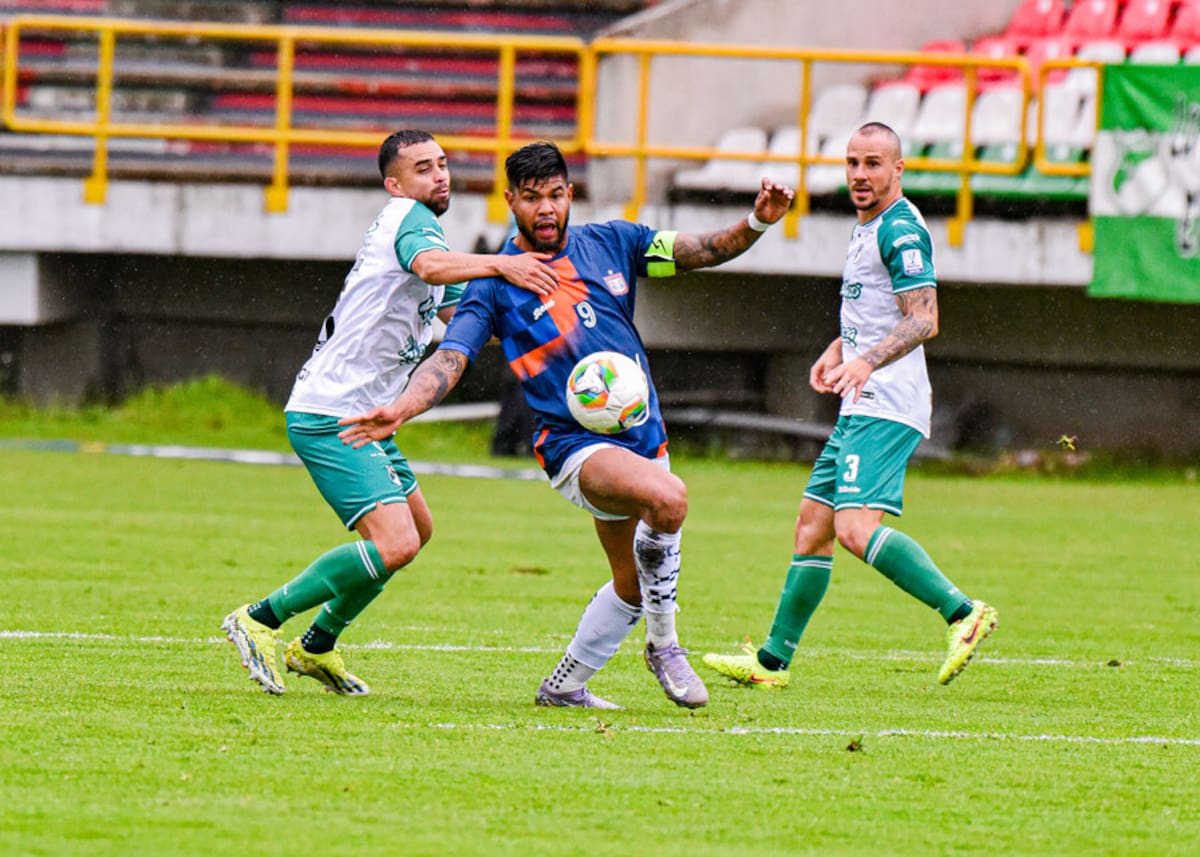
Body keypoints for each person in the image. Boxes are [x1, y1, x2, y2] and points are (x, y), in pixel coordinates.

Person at [338, 141, 795, 710]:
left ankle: (564, 686)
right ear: (511, 201)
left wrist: (756, 222)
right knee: (669, 500)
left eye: (555, 195)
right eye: (532, 199)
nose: (546, 209)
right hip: (574, 447)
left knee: (632, 586)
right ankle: (664, 646)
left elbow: (700, 250)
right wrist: (403, 406)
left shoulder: (615, 243)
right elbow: (453, 356)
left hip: (641, 438)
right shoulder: (494, 283)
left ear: (570, 193)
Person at [221, 129, 559, 696]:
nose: (440, 176)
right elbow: (430, 268)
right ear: (395, 184)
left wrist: (547, 325)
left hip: (361, 412)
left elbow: (465, 319)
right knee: (395, 543)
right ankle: (259, 619)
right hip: (332, 413)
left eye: (444, 164)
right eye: (424, 168)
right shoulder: (412, 220)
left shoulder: (422, 230)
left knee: (416, 531)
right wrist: (506, 265)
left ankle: (317, 647)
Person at [703, 122, 997, 689]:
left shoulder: (901, 230)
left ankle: (964, 613)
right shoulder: (867, 227)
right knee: (811, 527)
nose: (860, 175)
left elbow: (923, 318)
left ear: (898, 169)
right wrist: (838, 350)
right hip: (863, 399)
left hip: (887, 402)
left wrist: (865, 363)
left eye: (873, 164)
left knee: (854, 528)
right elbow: (876, 309)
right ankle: (771, 663)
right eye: (853, 163)